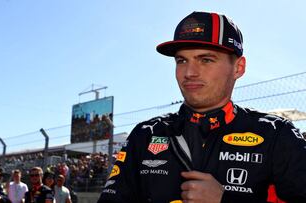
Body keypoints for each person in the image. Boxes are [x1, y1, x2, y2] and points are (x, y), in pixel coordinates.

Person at [97, 11, 306, 203]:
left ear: (238, 68)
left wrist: (225, 200)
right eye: (181, 60)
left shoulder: (277, 135)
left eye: (205, 59)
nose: (189, 72)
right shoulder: (145, 135)